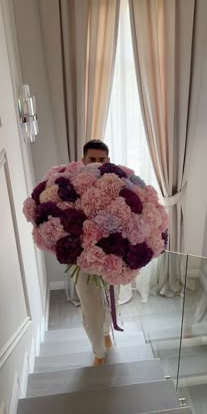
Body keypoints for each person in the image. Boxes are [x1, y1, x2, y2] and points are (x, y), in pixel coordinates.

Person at [76, 140, 113, 366]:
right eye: (93, 159)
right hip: (81, 260)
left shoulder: (116, 183)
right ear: (83, 160)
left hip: (111, 257)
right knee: (91, 308)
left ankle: (107, 331)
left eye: (102, 160)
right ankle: (99, 353)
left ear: (107, 160)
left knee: (110, 297)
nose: (97, 164)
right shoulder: (71, 186)